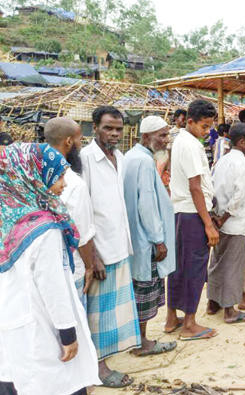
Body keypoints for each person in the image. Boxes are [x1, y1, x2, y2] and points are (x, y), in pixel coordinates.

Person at [0, 143, 100, 395]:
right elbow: (53, 287)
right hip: (42, 327)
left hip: (12, 325)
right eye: (58, 175)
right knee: (56, 383)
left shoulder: (7, 220)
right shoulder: (45, 229)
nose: (64, 183)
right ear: (32, 175)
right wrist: (68, 334)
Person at [80, 106, 140, 388]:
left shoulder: (121, 157)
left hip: (119, 245)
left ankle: (103, 363)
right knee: (97, 315)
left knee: (113, 315)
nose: (114, 134)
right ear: (95, 127)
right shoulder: (85, 159)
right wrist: (94, 257)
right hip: (100, 250)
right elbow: (83, 211)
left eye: (118, 129)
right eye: (108, 128)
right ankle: (98, 370)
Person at [123, 116, 177, 356]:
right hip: (147, 239)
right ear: (145, 137)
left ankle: (137, 339)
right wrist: (158, 239)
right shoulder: (143, 162)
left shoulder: (132, 157)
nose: (165, 140)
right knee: (144, 292)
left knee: (138, 290)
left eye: (166, 135)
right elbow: (146, 202)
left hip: (137, 236)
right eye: (161, 136)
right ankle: (142, 342)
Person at [166, 99, 219, 341]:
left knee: (178, 266)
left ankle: (170, 318)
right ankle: (189, 323)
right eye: (204, 127)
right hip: (193, 213)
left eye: (209, 127)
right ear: (190, 122)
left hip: (181, 212)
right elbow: (195, 187)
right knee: (195, 268)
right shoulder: (190, 145)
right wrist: (208, 224)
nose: (207, 132)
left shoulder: (181, 141)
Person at [44, 118, 96, 307]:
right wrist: (90, 266)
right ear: (68, 141)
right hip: (69, 270)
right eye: (79, 140)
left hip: (40, 272)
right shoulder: (73, 183)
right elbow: (81, 234)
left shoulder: (31, 174)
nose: (80, 145)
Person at [207, 123, 245, 323]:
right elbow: (239, 196)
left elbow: (213, 187)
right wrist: (224, 217)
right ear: (243, 142)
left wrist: (217, 216)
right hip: (233, 221)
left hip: (220, 218)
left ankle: (213, 302)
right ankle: (230, 310)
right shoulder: (244, 164)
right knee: (232, 265)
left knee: (218, 262)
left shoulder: (222, 161)